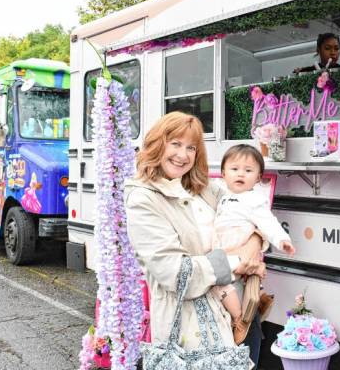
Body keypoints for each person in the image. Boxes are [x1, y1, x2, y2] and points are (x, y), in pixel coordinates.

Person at [125, 111, 266, 365]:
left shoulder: (202, 188)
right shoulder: (143, 199)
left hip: (242, 312)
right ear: (157, 144)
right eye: (175, 144)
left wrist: (254, 242)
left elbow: (251, 210)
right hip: (193, 331)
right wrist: (237, 261)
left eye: (191, 147)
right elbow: (177, 273)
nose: (183, 155)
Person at [212, 144, 295, 344]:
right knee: (226, 282)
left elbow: (268, 222)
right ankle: (257, 299)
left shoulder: (254, 200)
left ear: (258, 177)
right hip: (225, 246)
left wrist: (282, 240)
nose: (241, 174)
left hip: (237, 246)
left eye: (248, 171)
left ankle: (240, 318)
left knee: (221, 284)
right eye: (234, 169)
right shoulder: (224, 197)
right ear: (223, 173)